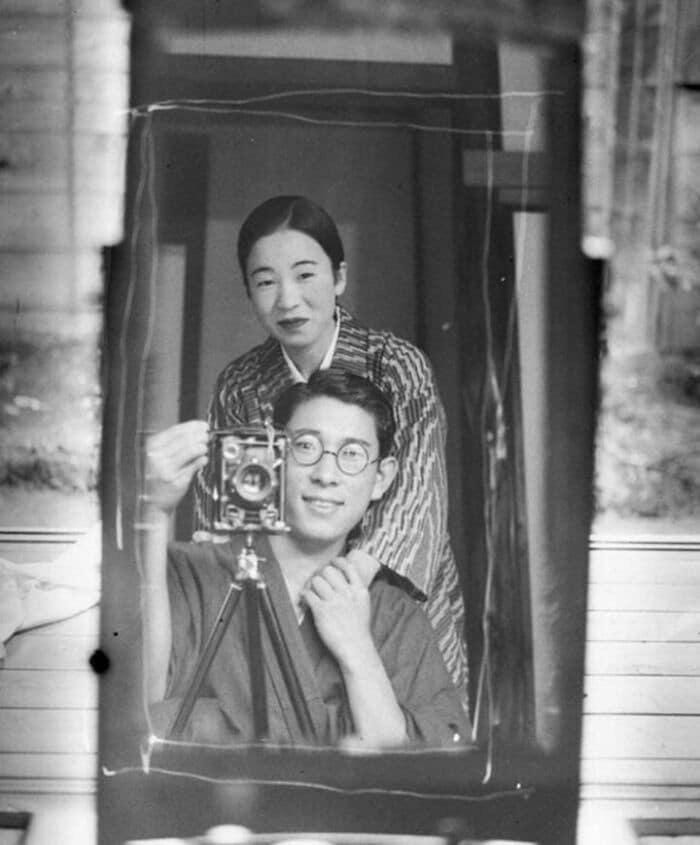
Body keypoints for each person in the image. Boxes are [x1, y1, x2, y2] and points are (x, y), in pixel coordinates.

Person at [189, 195, 469, 702]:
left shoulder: (397, 365)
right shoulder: (240, 384)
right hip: (283, 607)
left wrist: (342, 592)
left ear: (338, 277)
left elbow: (417, 498)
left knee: (407, 730)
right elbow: (234, 519)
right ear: (248, 291)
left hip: (387, 600)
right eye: (266, 282)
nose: (288, 300)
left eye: (305, 275)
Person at [143, 371, 471, 748]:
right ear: (274, 456)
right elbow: (139, 705)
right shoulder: (192, 573)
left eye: (352, 454)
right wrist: (154, 513)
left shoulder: (395, 615)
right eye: (305, 446)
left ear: (381, 478)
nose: (326, 475)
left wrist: (358, 651)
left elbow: (428, 761)